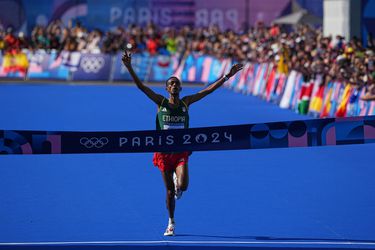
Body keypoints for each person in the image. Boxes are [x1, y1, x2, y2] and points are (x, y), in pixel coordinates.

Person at [122, 49, 243, 236]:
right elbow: (142, 87)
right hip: (163, 152)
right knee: (170, 192)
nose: (174, 86)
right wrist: (129, 67)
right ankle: (171, 222)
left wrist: (227, 76)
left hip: (180, 151)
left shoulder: (186, 102)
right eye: (171, 84)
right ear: (166, 88)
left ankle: (179, 181)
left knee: (183, 187)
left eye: (177, 84)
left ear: (180, 88)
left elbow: (207, 90)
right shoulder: (160, 102)